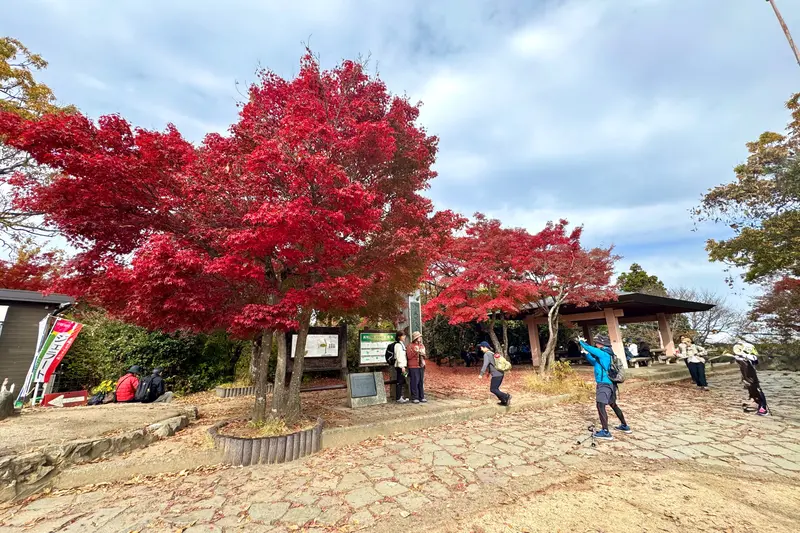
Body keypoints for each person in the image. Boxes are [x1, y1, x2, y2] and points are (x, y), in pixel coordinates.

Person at [579, 336, 631, 440]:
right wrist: (586, 354)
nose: (596, 345)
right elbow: (594, 362)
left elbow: (590, 348)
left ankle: (605, 431)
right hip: (611, 384)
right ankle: (624, 426)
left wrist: (581, 342)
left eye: (597, 343)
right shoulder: (608, 354)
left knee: (600, 405)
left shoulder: (603, 353)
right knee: (613, 404)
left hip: (604, 384)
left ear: (601, 344)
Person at [731, 341, 769, 416]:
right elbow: (738, 359)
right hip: (747, 379)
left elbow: (754, 360)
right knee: (752, 392)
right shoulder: (740, 358)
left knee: (757, 392)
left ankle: (763, 408)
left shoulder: (750, 357)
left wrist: (744, 354)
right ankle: (755, 404)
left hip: (752, 380)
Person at [477, 341, 511, 406]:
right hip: (500, 373)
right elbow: (492, 364)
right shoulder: (492, 353)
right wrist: (489, 372)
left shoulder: (486, 354)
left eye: (481, 347)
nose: (481, 349)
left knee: (493, 389)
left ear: (485, 347)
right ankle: (504, 401)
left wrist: (481, 374)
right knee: (495, 389)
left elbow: (485, 365)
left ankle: (506, 396)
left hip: (496, 375)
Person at [406, 332, 427, 404]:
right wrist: (415, 351)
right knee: (415, 381)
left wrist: (423, 353)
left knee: (421, 381)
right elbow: (409, 356)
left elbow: (425, 356)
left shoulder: (422, 345)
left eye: (420, 336)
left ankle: (422, 396)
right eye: (419, 337)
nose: (420, 338)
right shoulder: (410, 346)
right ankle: (415, 397)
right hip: (413, 366)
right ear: (415, 338)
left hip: (421, 365)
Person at [393, 331, 409, 404]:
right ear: (399, 337)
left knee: (402, 380)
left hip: (402, 366)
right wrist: (402, 366)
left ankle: (400, 396)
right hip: (400, 366)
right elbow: (399, 356)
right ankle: (399, 397)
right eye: (403, 336)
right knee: (400, 381)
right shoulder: (398, 345)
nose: (404, 337)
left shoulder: (401, 344)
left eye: (404, 335)